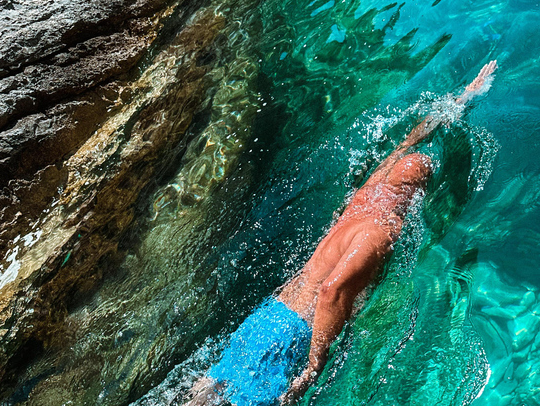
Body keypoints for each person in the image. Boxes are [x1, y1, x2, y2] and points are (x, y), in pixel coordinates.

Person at [185, 61, 498, 406]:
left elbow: (410, 141)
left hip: (265, 317)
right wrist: (314, 367)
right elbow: (332, 292)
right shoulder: (382, 229)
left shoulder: (368, 193)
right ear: (416, 196)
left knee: (208, 391)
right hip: (293, 333)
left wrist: (464, 97)